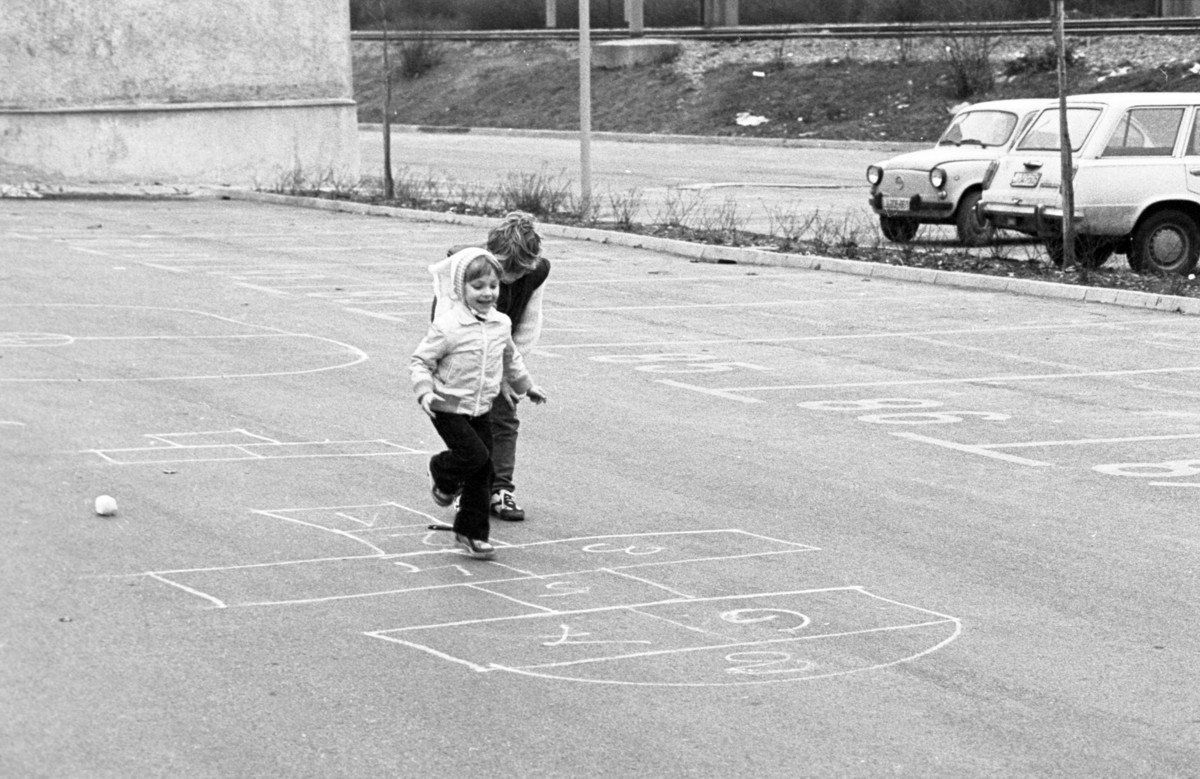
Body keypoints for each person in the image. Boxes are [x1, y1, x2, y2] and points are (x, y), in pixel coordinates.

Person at [411, 248, 547, 560]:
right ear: (461, 289)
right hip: (446, 405)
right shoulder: (448, 326)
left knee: (483, 469)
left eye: (493, 286)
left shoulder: (501, 324)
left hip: (481, 406)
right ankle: (440, 470)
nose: (487, 293)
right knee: (474, 455)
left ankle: (469, 533)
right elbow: (421, 361)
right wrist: (424, 391)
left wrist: (527, 387)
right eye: (478, 287)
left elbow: (511, 360)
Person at [431, 211, 551, 522]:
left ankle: (499, 489)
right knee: (470, 427)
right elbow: (443, 321)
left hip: (501, 349)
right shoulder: (464, 269)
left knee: (505, 419)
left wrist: (511, 376)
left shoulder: (535, 272)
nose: (511, 276)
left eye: (519, 269)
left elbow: (527, 324)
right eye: (506, 268)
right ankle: (465, 485)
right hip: (461, 353)